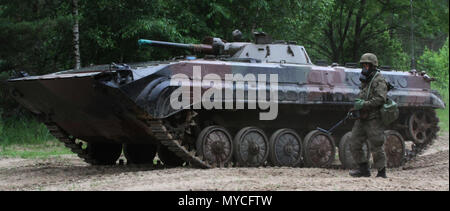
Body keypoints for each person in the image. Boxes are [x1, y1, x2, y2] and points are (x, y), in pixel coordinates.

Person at [349, 53, 388, 178]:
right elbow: (362, 95)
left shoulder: (378, 80)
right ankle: (363, 169)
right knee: (354, 142)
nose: (365, 67)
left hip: (373, 118)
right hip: (362, 117)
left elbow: (381, 98)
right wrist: (355, 108)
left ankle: (381, 172)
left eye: (367, 64)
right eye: (363, 64)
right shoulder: (366, 79)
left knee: (376, 145)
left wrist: (364, 104)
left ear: (373, 66)